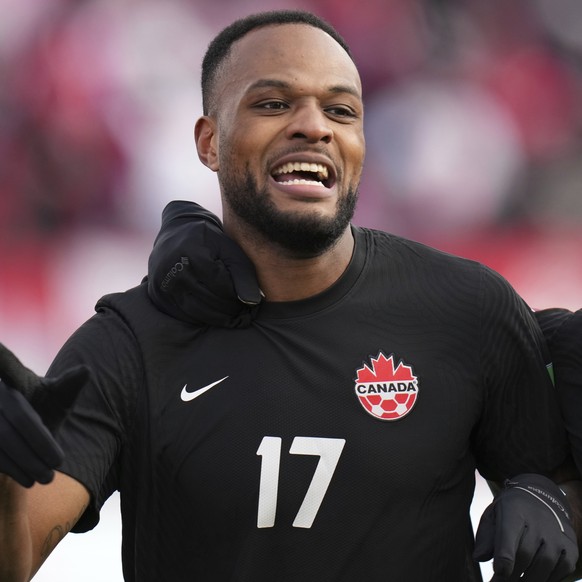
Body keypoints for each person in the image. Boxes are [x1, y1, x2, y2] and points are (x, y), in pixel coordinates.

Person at [0, 9, 580, 582]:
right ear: (209, 141)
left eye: (341, 110)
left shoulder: (470, 309)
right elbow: (17, 553)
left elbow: (558, 495)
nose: (314, 126)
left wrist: (552, 502)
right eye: (273, 104)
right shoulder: (129, 342)